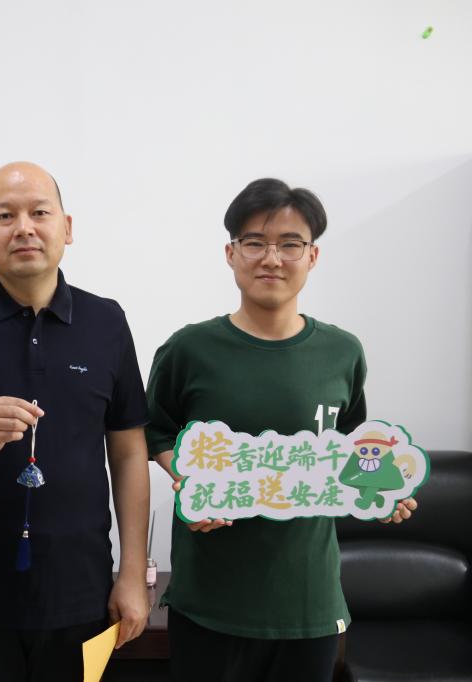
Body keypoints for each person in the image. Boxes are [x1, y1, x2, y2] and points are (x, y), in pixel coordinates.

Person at [145, 178, 418, 682]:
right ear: (231, 254)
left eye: (290, 244)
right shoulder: (188, 349)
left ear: (312, 256)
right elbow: (154, 430)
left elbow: (351, 448)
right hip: (210, 601)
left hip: (308, 603)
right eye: (255, 242)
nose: (271, 258)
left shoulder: (342, 352)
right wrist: (187, 480)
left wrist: (379, 491)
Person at [0, 161, 151, 681]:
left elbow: (129, 453)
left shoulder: (107, 321)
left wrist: (131, 573)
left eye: (39, 212)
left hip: (82, 593)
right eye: (4, 216)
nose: (23, 228)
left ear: (67, 227)